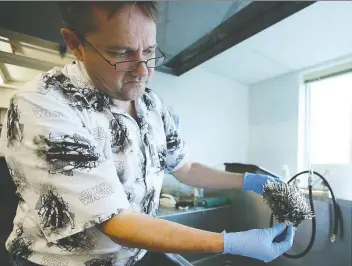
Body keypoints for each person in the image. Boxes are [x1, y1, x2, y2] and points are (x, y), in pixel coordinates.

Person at [0, 2, 295, 266]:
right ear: (76, 43)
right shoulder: (44, 105)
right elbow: (117, 222)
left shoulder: (151, 104)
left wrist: (249, 181)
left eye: (150, 52)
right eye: (122, 53)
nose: (143, 71)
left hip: (133, 257)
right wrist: (230, 243)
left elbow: (186, 168)